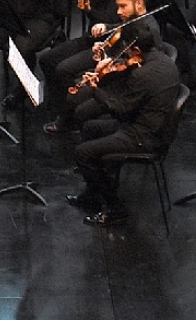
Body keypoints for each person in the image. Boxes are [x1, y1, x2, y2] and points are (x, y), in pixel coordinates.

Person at [65, 20, 181, 226]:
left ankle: (115, 208)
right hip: (154, 124)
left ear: (136, 49)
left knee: (82, 153)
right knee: (91, 128)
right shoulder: (165, 61)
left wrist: (96, 89)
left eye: (127, 50)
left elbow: (120, 112)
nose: (124, 54)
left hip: (143, 136)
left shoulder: (142, 75)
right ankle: (94, 191)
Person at [43, 0, 164, 134]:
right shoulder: (130, 20)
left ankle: (77, 126)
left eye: (123, 6)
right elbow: (119, 32)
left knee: (79, 104)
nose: (118, 11)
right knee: (68, 82)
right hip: (113, 69)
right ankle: (68, 119)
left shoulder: (150, 31)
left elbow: (145, 65)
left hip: (126, 83)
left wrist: (111, 65)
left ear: (139, 3)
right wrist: (104, 49)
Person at [39, 0, 128, 124]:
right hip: (90, 38)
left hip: (107, 46)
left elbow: (108, 21)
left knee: (63, 70)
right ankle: (57, 104)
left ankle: (69, 117)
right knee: (47, 59)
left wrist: (88, 9)